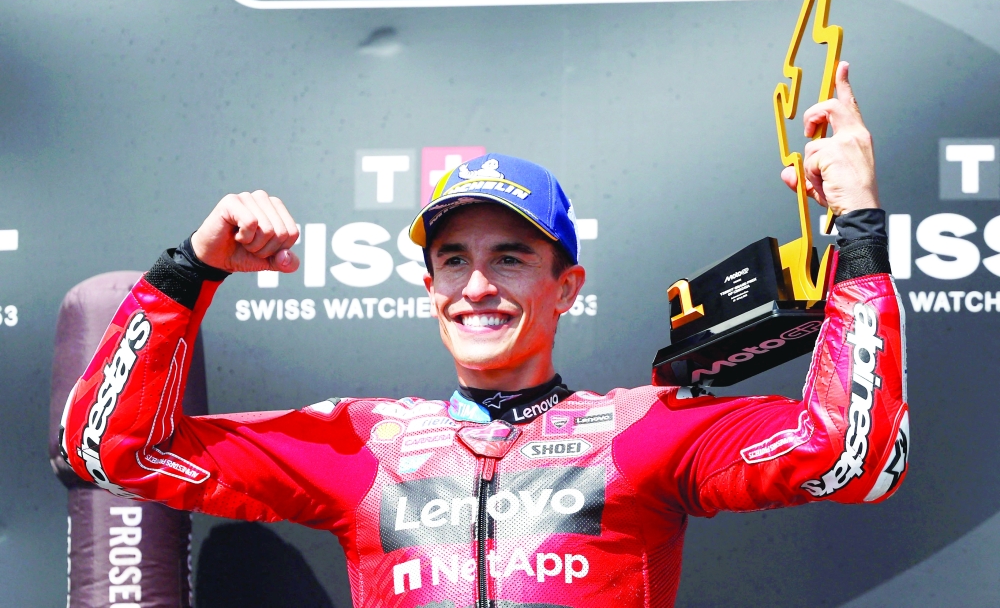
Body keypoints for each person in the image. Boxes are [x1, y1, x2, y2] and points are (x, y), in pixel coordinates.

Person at [60, 62, 907, 608]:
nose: (476, 285)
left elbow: (851, 455)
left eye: (510, 257)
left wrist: (858, 226)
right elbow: (112, 449)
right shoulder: (362, 444)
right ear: (429, 288)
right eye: (453, 259)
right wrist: (189, 270)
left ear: (564, 286)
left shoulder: (645, 428)